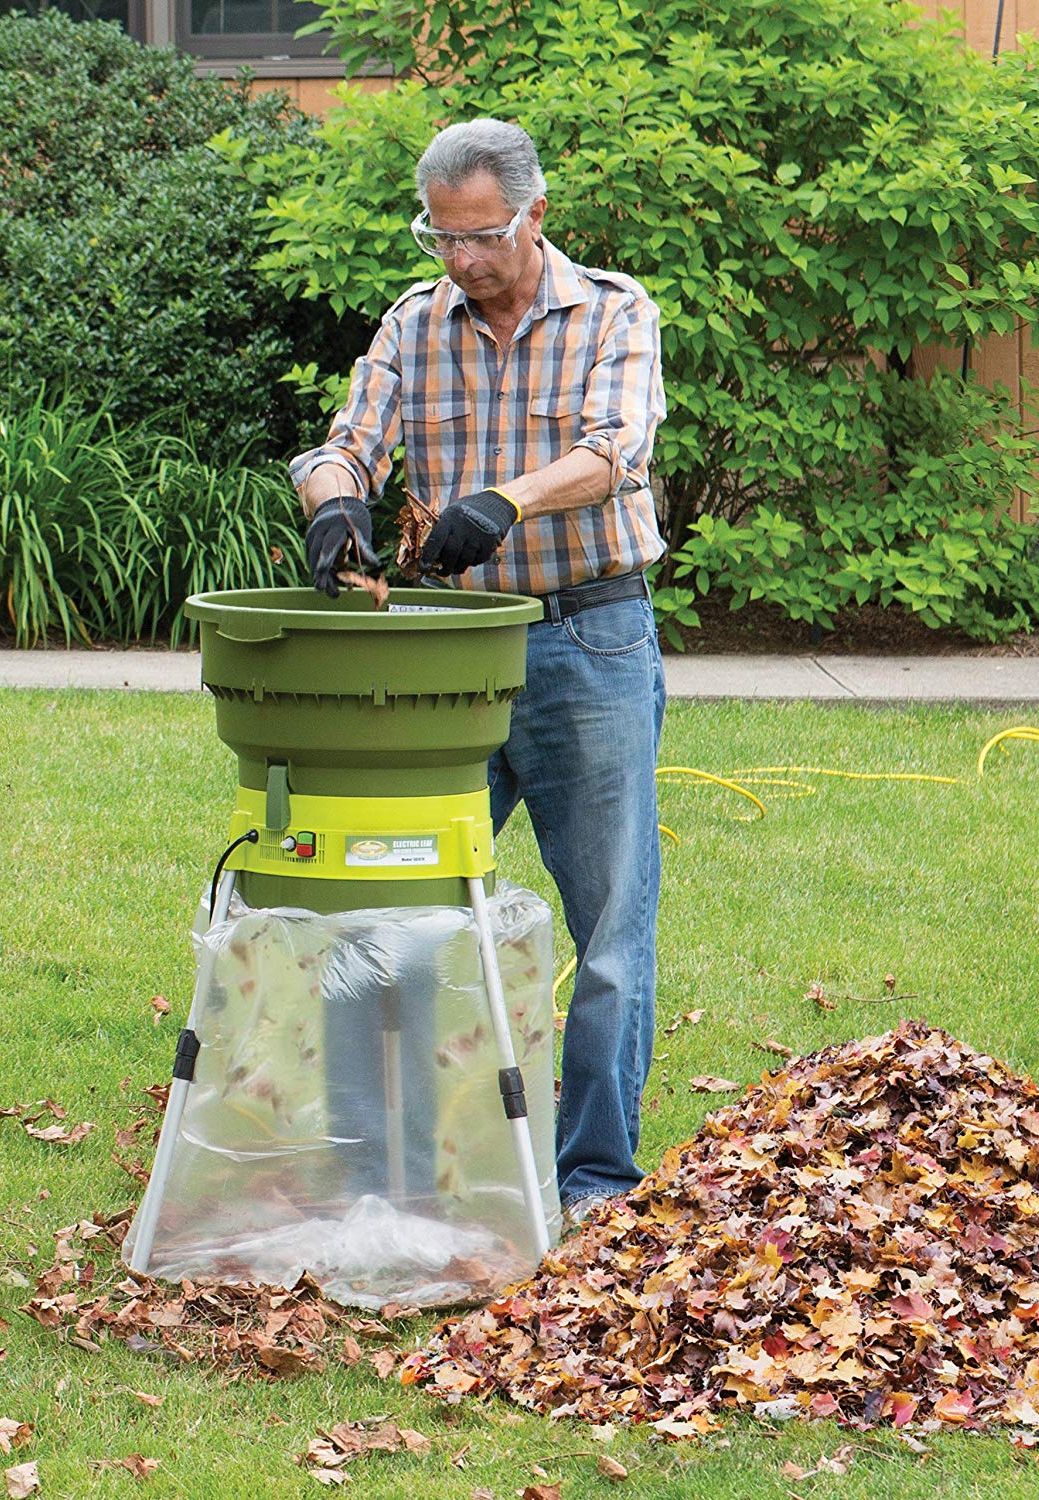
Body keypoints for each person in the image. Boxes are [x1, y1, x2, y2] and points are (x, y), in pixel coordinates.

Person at [288, 118, 667, 1231]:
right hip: (449, 655)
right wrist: (336, 504)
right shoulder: (417, 322)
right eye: (442, 239)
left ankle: (592, 1179)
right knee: (387, 909)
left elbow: (617, 450)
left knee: (607, 930)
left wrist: (506, 501)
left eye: (483, 237)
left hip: (588, 638)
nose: (462, 260)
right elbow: (344, 439)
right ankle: (384, 1171)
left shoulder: (613, 311)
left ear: (534, 214)